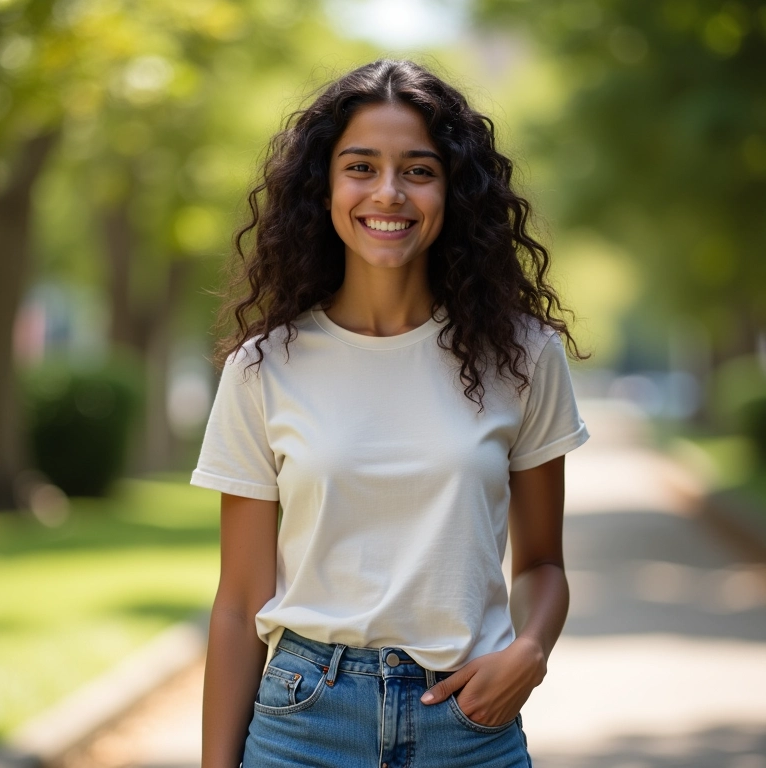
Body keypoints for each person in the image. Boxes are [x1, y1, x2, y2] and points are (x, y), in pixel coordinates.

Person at [190, 59, 589, 768]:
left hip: (468, 724)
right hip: (304, 722)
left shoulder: (524, 355)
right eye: (361, 166)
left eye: (419, 170)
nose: (388, 192)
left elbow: (542, 563)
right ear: (324, 188)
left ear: (453, 189)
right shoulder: (263, 365)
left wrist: (529, 652)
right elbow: (240, 598)